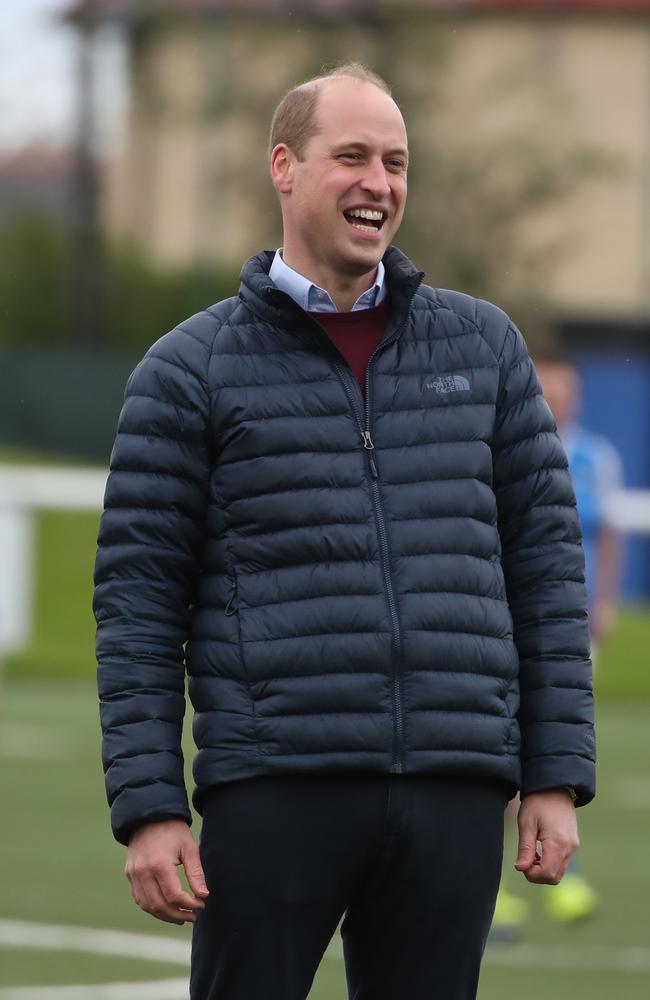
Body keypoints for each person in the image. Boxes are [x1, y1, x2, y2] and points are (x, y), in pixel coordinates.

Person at [93, 63, 595, 1000]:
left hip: (455, 786)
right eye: (353, 156)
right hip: (275, 785)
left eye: (397, 162)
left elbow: (547, 570)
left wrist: (554, 775)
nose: (381, 182)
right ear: (284, 167)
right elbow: (137, 604)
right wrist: (150, 807)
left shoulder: (484, 349)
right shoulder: (187, 370)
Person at [492, 354, 622, 935]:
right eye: (549, 388)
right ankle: (497, 887)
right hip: (508, 614)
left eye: (567, 389)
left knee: (557, 739)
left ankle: (559, 872)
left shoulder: (596, 457)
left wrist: (606, 601)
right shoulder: (501, 442)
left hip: (566, 621)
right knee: (502, 742)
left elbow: (610, 532)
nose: (558, 398)